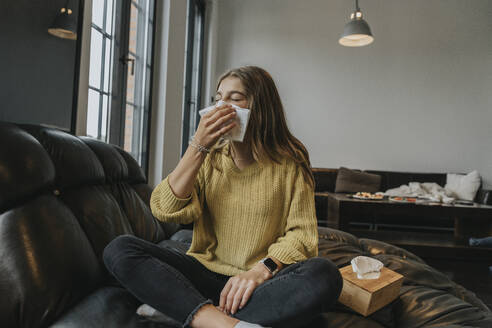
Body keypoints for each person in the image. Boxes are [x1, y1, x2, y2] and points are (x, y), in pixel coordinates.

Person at [102, 66, 342, 328]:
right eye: (218, 98)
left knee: (325, 274)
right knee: (120, 249)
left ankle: (188, 311)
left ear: (259, 106)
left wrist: (259, 271)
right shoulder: (210, 157)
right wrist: (198, 145)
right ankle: (223, 323)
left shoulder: (290, 162)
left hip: (257, 286)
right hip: (202, 274)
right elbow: (164, 210)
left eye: (235, 98)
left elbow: (302, 236)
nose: (221, 106)